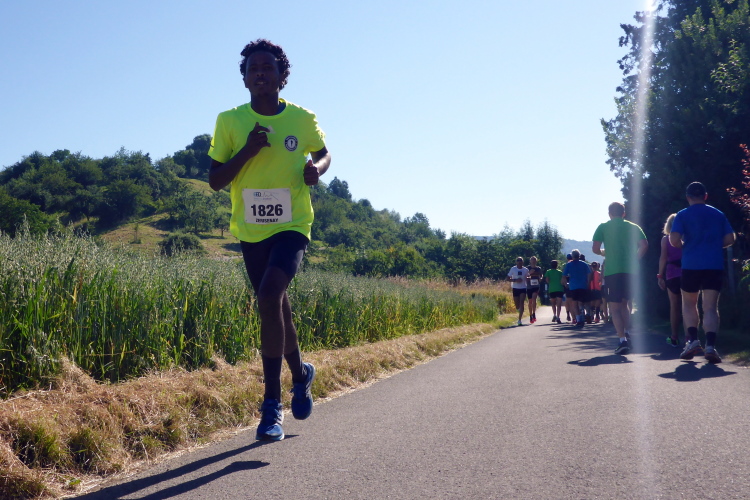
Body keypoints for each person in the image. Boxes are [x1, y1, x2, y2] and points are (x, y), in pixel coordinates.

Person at [208, 39, 331, 441]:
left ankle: (271, 404)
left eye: (267, 67)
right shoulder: (229, 121)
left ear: (282, 76)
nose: (260, 73)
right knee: (275, 305)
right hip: (251, 228)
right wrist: (247, 150)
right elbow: (215, 180)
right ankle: (301, 374)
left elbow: (324, 153)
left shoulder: (302, 118)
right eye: (252, 69)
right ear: (244, 79)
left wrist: (317, 169)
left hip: (293, 223)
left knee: (269, 294)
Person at [669, 182, 736, 363]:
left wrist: (684, 245)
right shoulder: (718, 214)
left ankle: (692, 341)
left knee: (689, 304)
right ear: (705, 196)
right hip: (713, 264)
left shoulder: (682, 215)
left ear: (688, 197)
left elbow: (674, 239)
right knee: (710, 307)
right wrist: (714, 246)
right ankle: (710, 346)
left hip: (691, 264)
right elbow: (730, 238)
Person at [592, 202, 648, 355]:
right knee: (625, 304)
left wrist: (604, 252)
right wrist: (635, 258)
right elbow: (644, 245)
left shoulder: (603, 227)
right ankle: (627, 333)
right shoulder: (633, 226)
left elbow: (595, 249)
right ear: (624, 213)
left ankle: (622, 340)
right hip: (631, 271)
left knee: (615, 307)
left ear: (609, 213)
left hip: (612, 272)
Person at [658, 214, 683, 347]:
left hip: (671, 273)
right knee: (690, 306)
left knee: (674, 306)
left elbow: (663, 258)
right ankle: (691, 338)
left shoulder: (665, 239)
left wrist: (660, 276)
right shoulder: (685, 237)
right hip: (687, 272)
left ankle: (674, 337)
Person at [561, 250, 592, 327]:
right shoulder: (584, 264)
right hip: (583, 285)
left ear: (572, 256)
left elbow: (564, 276)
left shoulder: (569, 264)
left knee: (574, 303)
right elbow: (589, 274)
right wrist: (588, 283)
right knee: (582, 302)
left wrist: (566, 284)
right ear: (579, 255)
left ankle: (578, 319)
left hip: (573, 286)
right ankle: (585, 313)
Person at [507, 257, 530, 326]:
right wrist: (515, 280)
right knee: (517, 305)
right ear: (516, 262)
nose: (519, 262)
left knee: (521, 302)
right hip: (515, 288)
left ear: (523, 262)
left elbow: (528, 277)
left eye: (521, 261)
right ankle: (520, 309)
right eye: (518, 260)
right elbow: (508, 278)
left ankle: (519, 320)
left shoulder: (525, 270)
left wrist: (528, 278)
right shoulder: (513, 269)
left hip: (523, 288)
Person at [526, 256, 543, 323]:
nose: (533, 261)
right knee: (530, 301)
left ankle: (534, 313)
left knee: (534, 299)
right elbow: (525, 276)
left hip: (536, 286)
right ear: (530, 261)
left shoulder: (538, 268)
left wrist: (541, 278)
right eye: (532, 260)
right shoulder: (527, 268)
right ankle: (530, 315)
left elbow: (541, 275)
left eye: (534, 260)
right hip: (529, 286)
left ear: (536, 261)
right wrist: (529, 273)